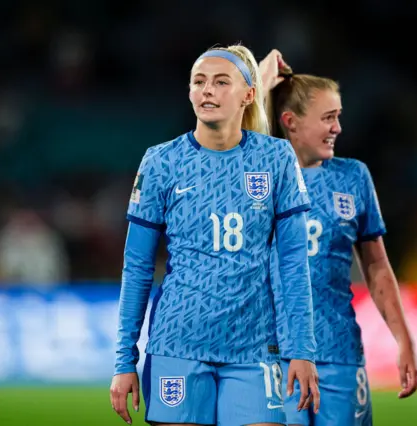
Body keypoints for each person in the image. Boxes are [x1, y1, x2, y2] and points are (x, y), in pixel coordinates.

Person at [109, 44, 320, 426]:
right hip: (178, 342)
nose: (207, 90)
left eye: (222, 82)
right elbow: (137, 266)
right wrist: (125, 360)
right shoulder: (161, 162)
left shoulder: (276, 159)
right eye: (199, 82)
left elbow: (293, 264)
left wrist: (303, 349)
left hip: (255, 346)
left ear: (249, 94)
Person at [259, 50, 417, 425]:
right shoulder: (261, 174)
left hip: (340, 352)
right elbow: (225, 137)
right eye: (328, 118)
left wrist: (404, 339)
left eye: (339, 117)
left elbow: (377, 267)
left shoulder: (354, 176)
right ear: (290, 122)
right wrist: (259, 84)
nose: (338, 128)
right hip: (274, 352)